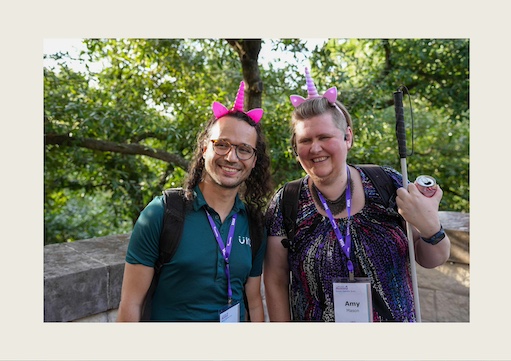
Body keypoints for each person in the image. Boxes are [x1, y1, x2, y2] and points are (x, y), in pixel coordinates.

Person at [263, 68, 451, 322]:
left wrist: (430, 227)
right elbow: (275, 279)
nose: (315, 148)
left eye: (324, 137)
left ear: (347, 137)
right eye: (305, 140)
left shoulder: (388, 184)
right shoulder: (287, 202)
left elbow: (432, 259)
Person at [117, 81, 272, 322]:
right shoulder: (162, 213)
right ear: (204, 149)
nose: (231, 157)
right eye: (222, 145)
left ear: (253, 160)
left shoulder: (254, 223)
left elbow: (254, 303)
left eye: (244, 149)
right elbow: (130, 306)